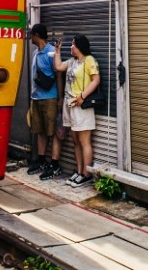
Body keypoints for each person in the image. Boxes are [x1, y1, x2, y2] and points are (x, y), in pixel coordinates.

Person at [54, 33, 100, 187]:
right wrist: (57, 51)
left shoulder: (89, 60)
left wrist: (83, 96)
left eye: (73, 44)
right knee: (75, 140)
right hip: (70, 105)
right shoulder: (72, 62)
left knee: (84, 140)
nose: (71, 47)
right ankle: (79, 170)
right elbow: (58, 67)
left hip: (82, 105)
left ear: (80, 46)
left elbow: (96, 80)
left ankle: (86, 174)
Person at [26, 24, 63, 179]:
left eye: (31, 35)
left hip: (49, 98)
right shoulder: (36, 52)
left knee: (53, 132)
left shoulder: (50, 53)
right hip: (36, 98)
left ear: (36, 35)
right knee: (40, 131)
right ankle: (41, 160)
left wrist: (60, 98)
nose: (30, 38)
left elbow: (59, 75)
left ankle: (55, 164)